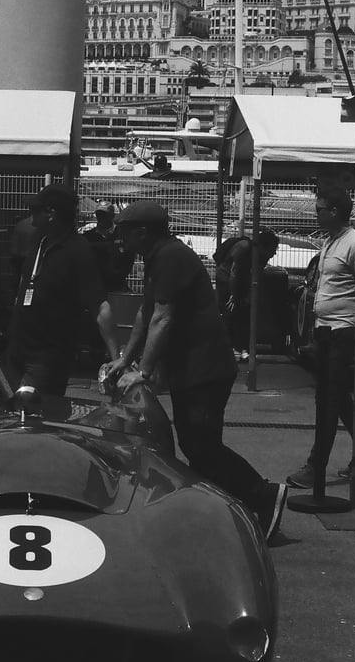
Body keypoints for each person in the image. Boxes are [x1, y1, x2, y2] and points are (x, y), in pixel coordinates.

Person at [103, 199, 287, 543]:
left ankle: (263, 495)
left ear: (143, 232)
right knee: (197, 445)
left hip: (205, 368)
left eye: (124, 232)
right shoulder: (157, 257)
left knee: (202, 446)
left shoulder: (171, 257)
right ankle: (217, 514)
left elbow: (163, 317)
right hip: (192, 368)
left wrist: (143, 371)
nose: (119, 239)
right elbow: (146, 313)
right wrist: (126, 359)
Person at [6, 184, 118, 398]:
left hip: (48, 356)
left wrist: (116, 358)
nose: (30, 214)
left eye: (35, 209)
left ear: (51, 213)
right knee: (11, 410)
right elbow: (24, 283)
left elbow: (100, 305)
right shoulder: (38, 241)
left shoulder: (78, 249)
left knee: (37, 412)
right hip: (18, 349)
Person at [287, 188, 355, 489]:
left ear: (335, 212)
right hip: (325, 330)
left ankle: (316, 468)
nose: (316, 215)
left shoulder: (353, 243)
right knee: (337, 399)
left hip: (342, 331)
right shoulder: (330, 241)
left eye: (319, 210)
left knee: (329, 399)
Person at [214, 228, 279, 361]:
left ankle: (241, 348)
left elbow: (255, 275)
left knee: (244, 313)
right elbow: (234, 272)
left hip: (239, 280)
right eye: (273, 249)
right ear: (263, 246)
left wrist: (248, 295)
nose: (274, 253)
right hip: (226, 278)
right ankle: (228, 349)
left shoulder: (263, 256)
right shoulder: (244, 247)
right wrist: (233, 294)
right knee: (230, 312)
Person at [83, 201, 135, 294]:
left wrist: (118, 275)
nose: (101, 217)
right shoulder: (88, 237)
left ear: (112, 215)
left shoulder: (122, 234)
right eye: (99, 214)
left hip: (118, 286)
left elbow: (129, 257)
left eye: (104, 214)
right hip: (94, 287)